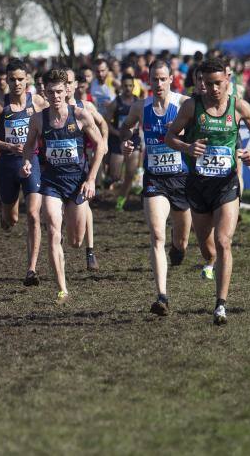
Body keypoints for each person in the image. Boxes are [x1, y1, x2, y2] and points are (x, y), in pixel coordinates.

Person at [165, 58, 250, 325]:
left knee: (224, 242)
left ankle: (220, 305)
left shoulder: (239, 106)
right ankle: (209, 261)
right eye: (207, 84)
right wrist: (187, 148)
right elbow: (170, 136)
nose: (212, 89)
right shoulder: (191, 106)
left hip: (226, 184)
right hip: (198, 186)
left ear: (227, 80)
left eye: (218, 83)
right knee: (207, 248)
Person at [21, 69, 105, 304]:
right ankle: (62, 289)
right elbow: (29, 146)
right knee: (53, 232)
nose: (55, 96)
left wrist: (91, 179)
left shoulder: (80, 115)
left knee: (75, 241)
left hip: (77, 183)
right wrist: (27, 161)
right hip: (52, 183)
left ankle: (76, 246)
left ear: (67, 90)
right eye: (51, 92)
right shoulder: (38, 118)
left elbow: (100, 146)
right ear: (45, 92)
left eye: (59, 91)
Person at [120, 61, 193, 316]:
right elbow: (126, 127)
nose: (159, 84)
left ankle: (180, 249)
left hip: (182, 178)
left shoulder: (185, 104)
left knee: (181, 240)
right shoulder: (140, 107)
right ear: (148, 81)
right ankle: (162, 296)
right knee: (157, 236)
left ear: (171, 79)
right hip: (155, 180)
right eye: (154, 79)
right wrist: (127, 142)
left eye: (163, 79)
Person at [0, 58, 48, 285]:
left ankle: (31, 269)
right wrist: (8, 146)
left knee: (33, 215)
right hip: (8, 164)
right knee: (11, 219)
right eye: (13, 79)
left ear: (27, 79)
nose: (17, 83)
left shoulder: (38, 102)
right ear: (7, 80)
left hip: (32, 162)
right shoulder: (0, 105)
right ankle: (4, 212)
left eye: (21, 79)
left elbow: (51, 126)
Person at [69, 68, 108, 270]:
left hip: (82, 164)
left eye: (69, 82)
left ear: (75, 85)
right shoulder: (50, 107)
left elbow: (103, 124)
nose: (65, 87)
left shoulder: (86, 107)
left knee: (86, 207)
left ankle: (90, 250)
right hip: (55, 169)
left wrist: (105, 141)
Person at [106, 74, 140, 210]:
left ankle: (121, 199)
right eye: (125, 85)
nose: (127, 88)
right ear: (121, 86)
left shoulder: (138, 102)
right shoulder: (116, 103)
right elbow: (106, 123)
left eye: (130, 85)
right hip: (118, 141)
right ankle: (115, 191)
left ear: (133, 86)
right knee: (115, 176)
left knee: (130, 174)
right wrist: (117, 133)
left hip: (134, 140)